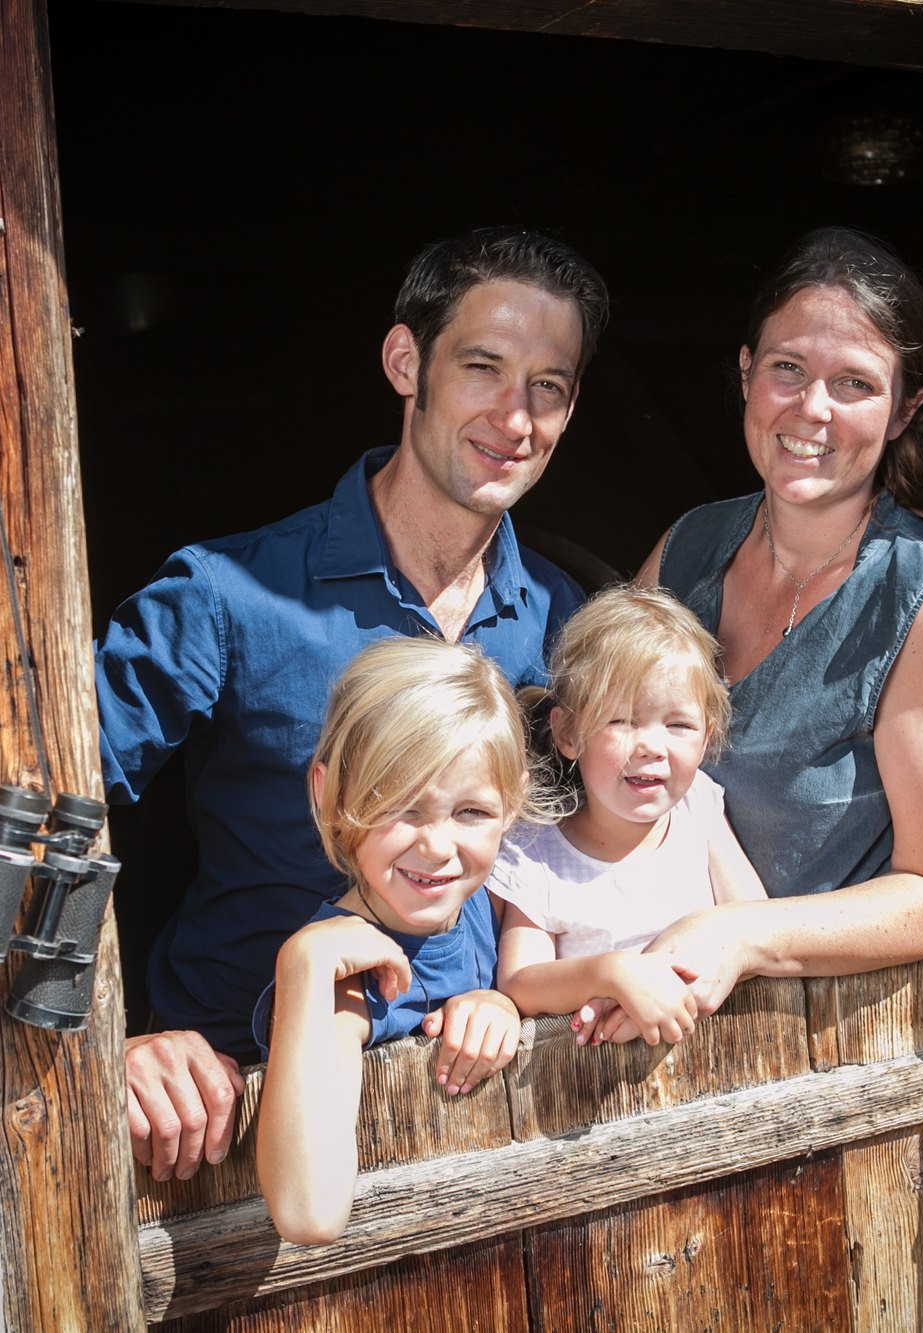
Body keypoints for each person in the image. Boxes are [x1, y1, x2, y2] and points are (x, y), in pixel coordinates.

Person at [98, 227, 609, 1181]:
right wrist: (114, 1043)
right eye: (483, 366)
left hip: (474, 1099)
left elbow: (617, 831)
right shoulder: (225, 595)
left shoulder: (560, 619)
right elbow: (41, 811)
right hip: (224, 1114)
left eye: (550, 385)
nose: (516, 414)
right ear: (405, 360)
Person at [617, 226, 923, 1041]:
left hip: (810, 1051)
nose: (811, 409)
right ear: (745, 373)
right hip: (627, 1008)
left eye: (855, 384)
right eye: (787, 368)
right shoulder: (687, 547)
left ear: (907, 409)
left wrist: (743, 935)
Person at [257, 636, 537, 1244]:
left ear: (511, 806)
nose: (437, 846)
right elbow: (309, 1215)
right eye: (404, 808)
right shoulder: (340, 985)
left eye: (472, 813)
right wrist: (301, 962)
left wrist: (503, 1001)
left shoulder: (492, 912)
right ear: (330, 795)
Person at [488, 585, 766, 1045]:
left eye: (678, 725)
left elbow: (755, 925)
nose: (652, 747)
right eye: (621, 721)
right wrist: (612, 975)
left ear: (706, 736)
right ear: (568, 734)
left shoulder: (699, 806)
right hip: (584, 1094)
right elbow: (521, 983)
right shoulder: (537, 853)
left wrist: (671, 985)